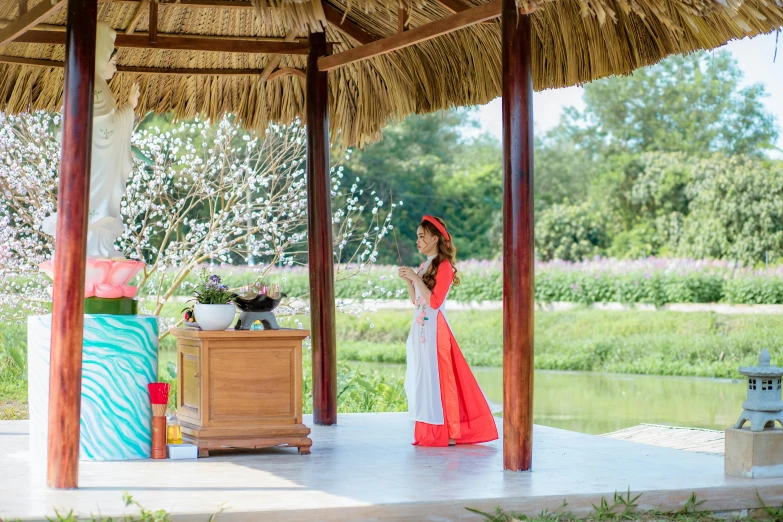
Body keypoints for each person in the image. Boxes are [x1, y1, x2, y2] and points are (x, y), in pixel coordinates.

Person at [397, 215, 499, 446]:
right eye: (417, 237)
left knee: (439, 377)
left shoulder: (444, 267)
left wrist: (416, 278)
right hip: (421, 328)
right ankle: (429, 430)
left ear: (434, 238)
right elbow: (418, 302)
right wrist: (409, 282)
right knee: (424, 377)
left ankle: (447, 431)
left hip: (436, 329)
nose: (418, 241)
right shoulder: (425, 265)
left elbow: (434, 302)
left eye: (422, 236)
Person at [42, 21, 140, 258]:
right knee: (91, 216)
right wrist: (129, 108)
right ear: (101, 58)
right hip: (93, 167)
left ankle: (94, 247)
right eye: (113, 63)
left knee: (91, 218)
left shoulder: (91, 85)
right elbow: (105, 128)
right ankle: (93, 249)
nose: (115, 70)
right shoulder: (94, 87)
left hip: (90, 165)